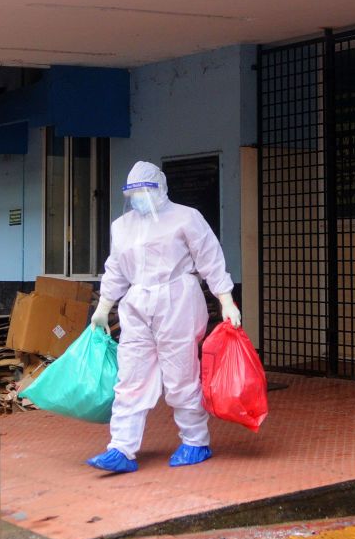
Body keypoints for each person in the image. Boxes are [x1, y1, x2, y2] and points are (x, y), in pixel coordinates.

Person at [86, 161, 241, 473]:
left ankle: (196, 441)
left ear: (160, 189)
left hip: (178, 300)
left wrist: (226, 299)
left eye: (145, 191)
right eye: (133, 193)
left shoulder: (186, 217)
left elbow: (209, 257)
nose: (139, 198)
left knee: (180, 375)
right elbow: (115, 268)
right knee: (130, 377)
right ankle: (121, 448)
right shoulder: (122, 226)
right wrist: (104, 307)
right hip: (137, 303)